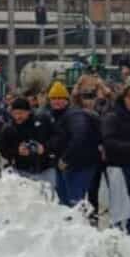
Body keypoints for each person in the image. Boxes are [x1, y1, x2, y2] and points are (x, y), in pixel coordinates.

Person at [99, 86, 130, 238]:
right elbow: (108, 142)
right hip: (118, 167)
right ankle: (116, 236)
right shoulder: (112, 116)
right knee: (119, 203)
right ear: (127, 98)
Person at [47, 82, 101, 210]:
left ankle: (79, 227)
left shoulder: (74, 115)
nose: (57, 101)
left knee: (75, 203)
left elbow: (80, 137)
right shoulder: (55, 116)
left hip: (79, 165)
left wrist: (66, 158)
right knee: (65, 204)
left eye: (60, 98)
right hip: (65, 165)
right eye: (54, 98)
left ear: (67, 100)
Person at [0, 98, 60, 191]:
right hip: (21, 171)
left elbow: (57, 138)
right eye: (15, 113)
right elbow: (3, 150)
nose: (18, 116)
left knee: (48, 201)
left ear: (28, 112)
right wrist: (17, 151)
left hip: (46, 168)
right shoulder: (8, 128)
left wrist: (44, 148)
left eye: (21, 113)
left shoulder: (43, 121)